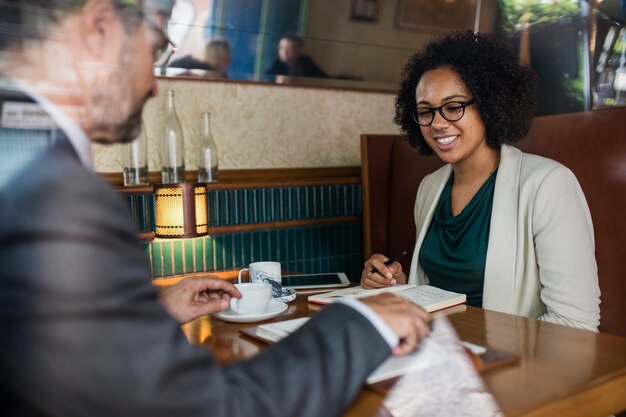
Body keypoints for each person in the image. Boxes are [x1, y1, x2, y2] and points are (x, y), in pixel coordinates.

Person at [0, 1, 430, 416]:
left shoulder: (21, 158)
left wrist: (152, 316)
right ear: (99, 29)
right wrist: (360, 323)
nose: (153, 84)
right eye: (152, 51)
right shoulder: (54, 193)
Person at [360, 30, 601, 332]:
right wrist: (396, 285)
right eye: (425, 111)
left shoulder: (549, 185)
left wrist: (484, 355)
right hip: (438, 354)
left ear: (489, 105)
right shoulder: (429, 188)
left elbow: (576, 323)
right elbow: (442, 296)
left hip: (511, 367)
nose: (437, 123)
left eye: (454, 106)